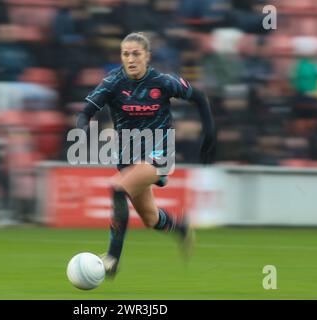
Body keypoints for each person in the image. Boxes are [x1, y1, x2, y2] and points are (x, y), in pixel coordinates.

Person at [76, 32, 216, 278]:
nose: (130, 58)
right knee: (152, 220)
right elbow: (85, 112)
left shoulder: (162, 82)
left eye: (136, 54)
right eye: (125, 54)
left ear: (147, 56)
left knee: (118, 188)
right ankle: (180, 227)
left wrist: (210, 133)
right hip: (128, 157)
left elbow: (199, 97)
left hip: (159, 154)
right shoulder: (113, 83)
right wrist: (83, 128)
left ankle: (112, 258)